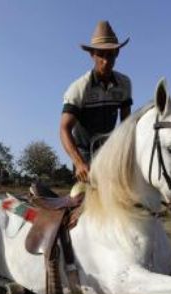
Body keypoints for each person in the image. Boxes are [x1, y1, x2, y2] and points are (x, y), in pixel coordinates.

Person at [60, 20, 132, 183]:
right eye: (101, 55)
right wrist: (79, 163)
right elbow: (64, 129)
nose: (106, 61)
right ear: (92, 54)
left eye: (110, 55)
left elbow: (126, 125)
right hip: (85, 157)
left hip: (109, 155)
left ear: (117, 54)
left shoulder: (124, 84)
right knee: (84, 201)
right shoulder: (79, 88)